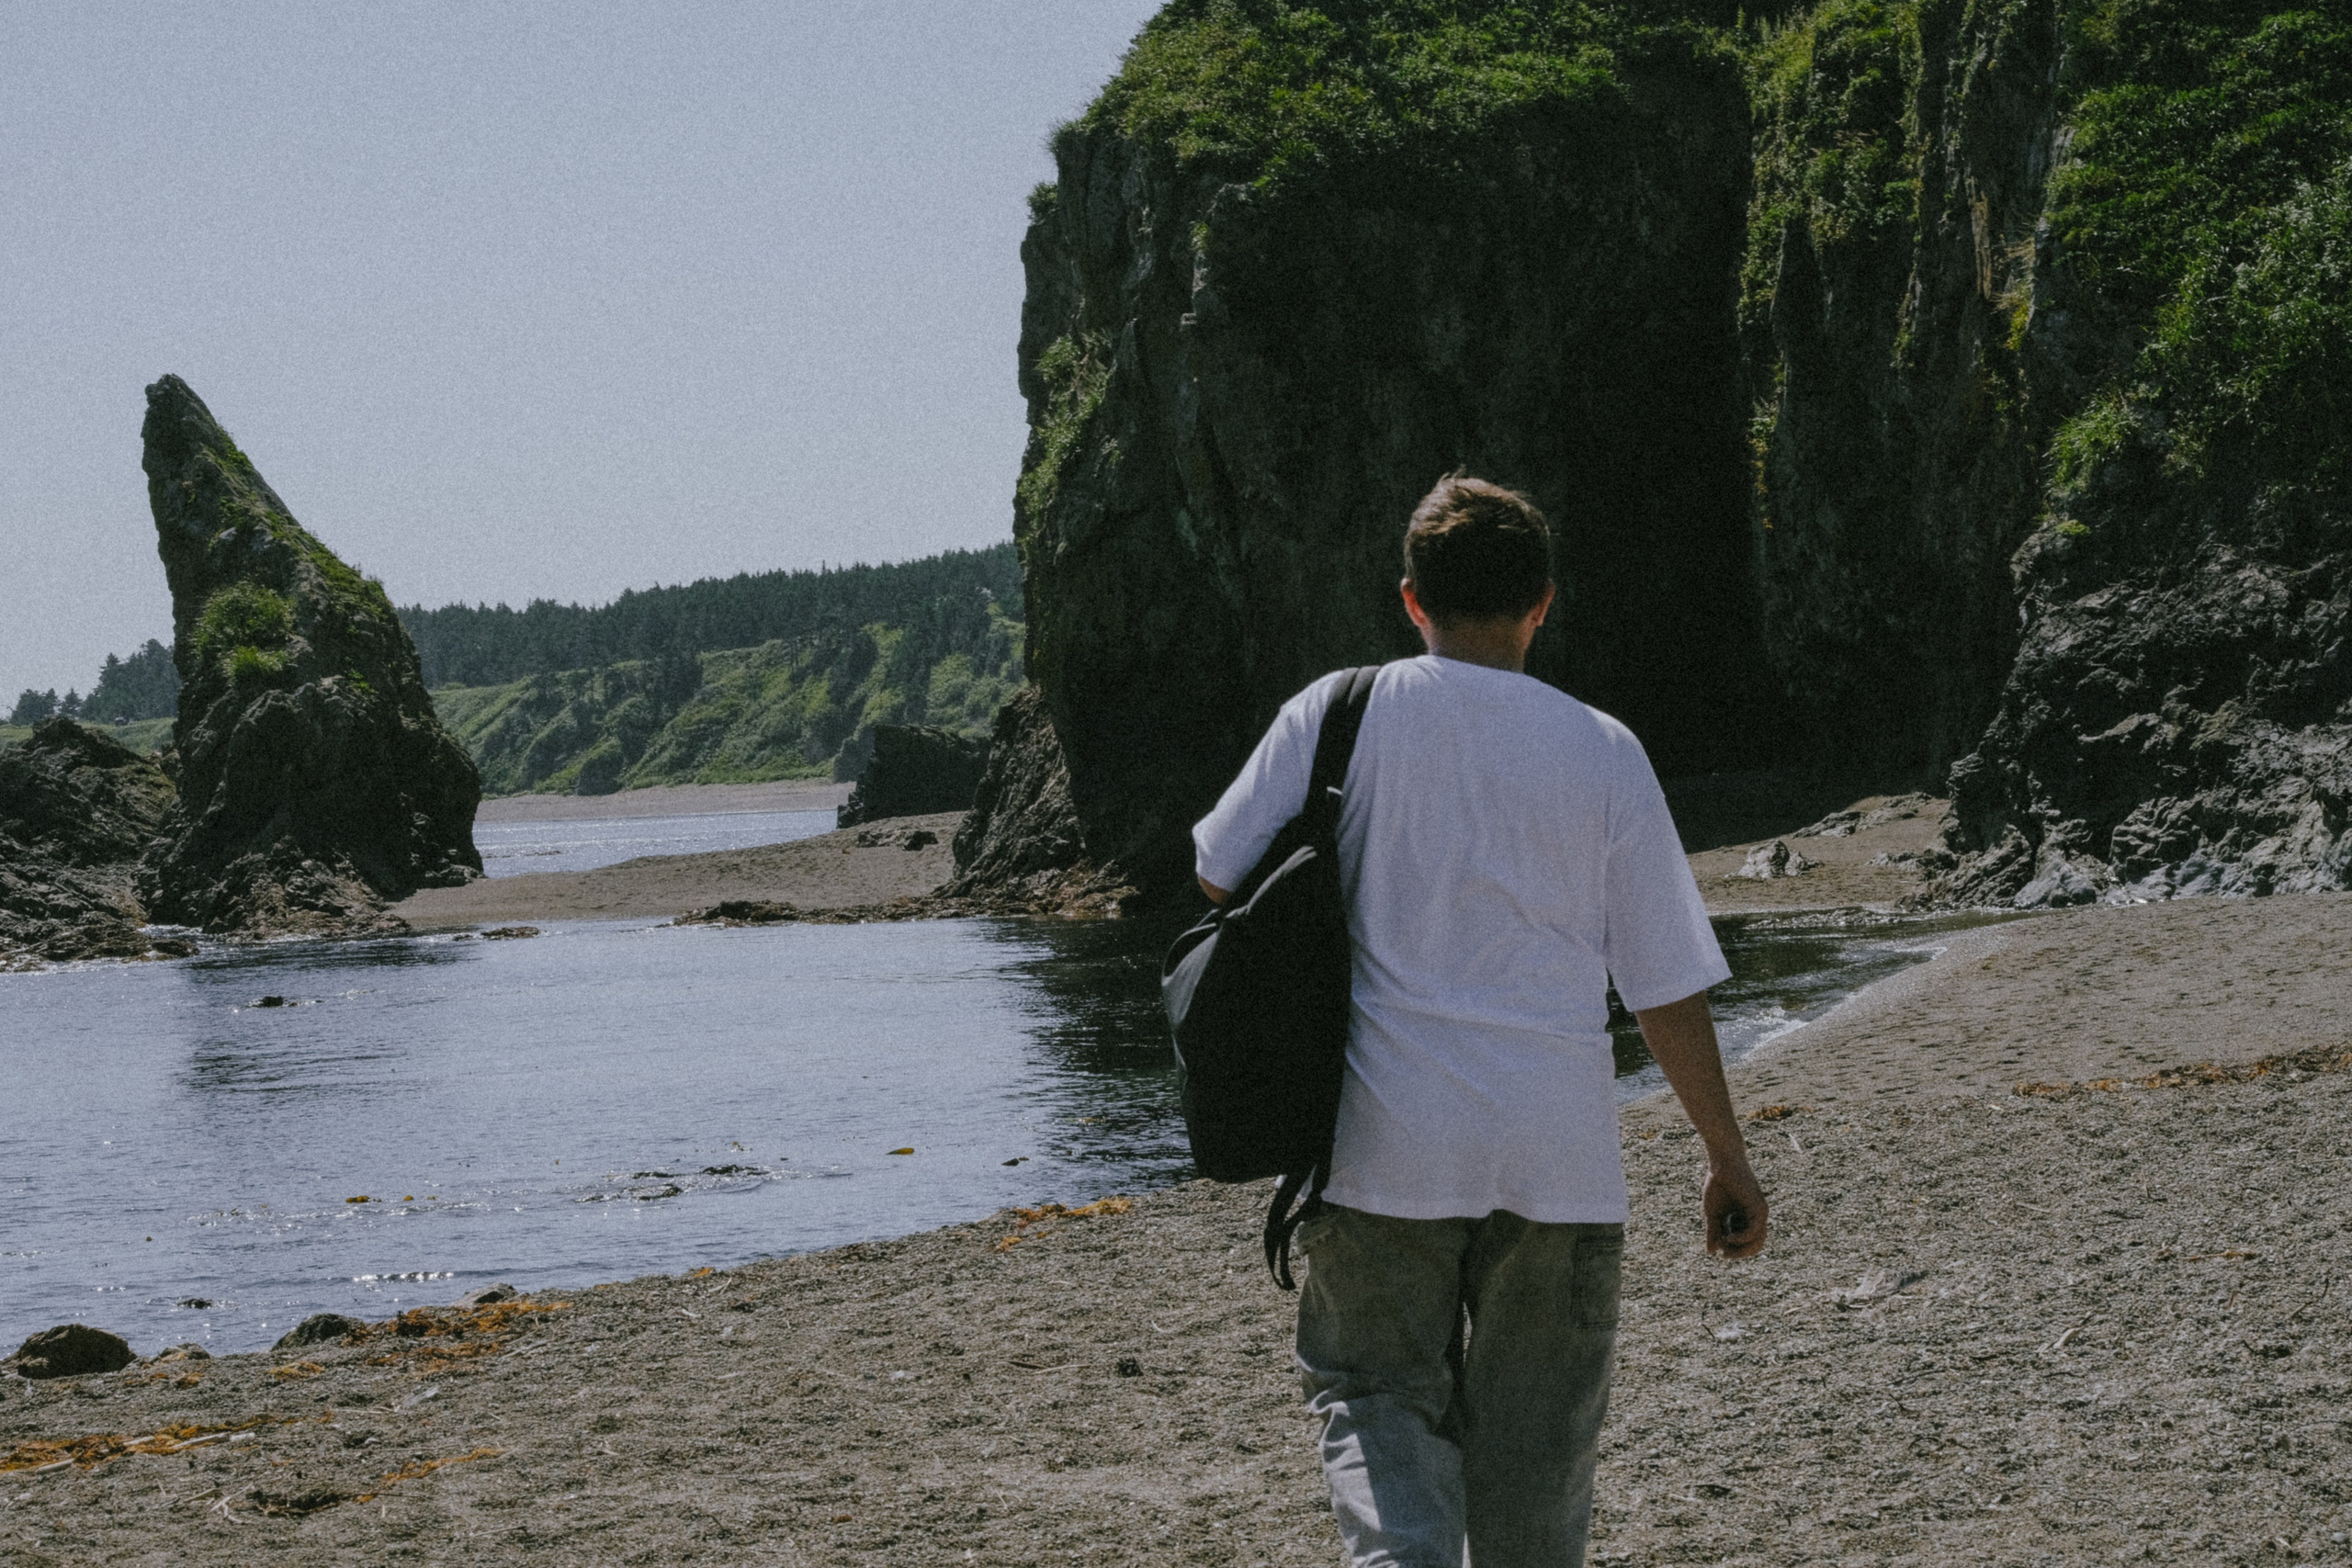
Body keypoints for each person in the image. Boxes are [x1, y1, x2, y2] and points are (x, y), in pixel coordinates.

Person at [1190, 474, 1769, 1566]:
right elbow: (1662, 983)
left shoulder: (1339, 711)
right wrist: (1724, 1155)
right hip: (1558, 1153)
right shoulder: (1603, 748)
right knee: (1538, 1459)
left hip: (1382, 1144)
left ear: (1411, 599)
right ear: (1540, 604)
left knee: (1374, 1393)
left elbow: (1218, 873)